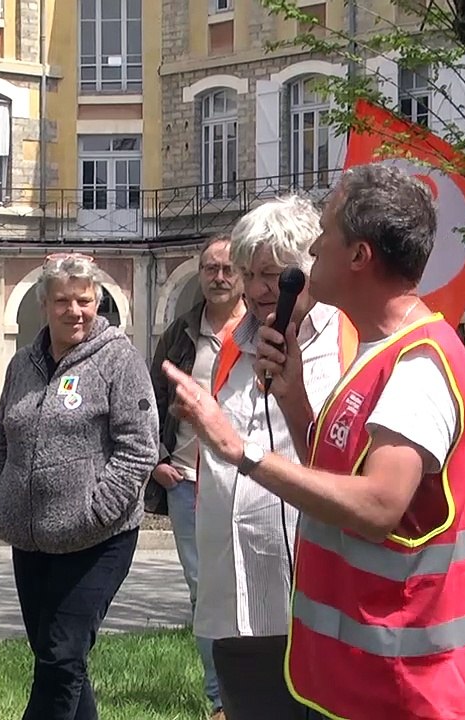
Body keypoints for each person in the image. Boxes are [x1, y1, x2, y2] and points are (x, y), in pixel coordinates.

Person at [162, 164, 465, 719]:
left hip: (411, 684)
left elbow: (378, 506)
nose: (314, 245)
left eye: (326, 233)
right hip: (363, 674)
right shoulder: (379, 352)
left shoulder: (417, 365)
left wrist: (237, 448)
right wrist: (294, 402)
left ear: (359, 256)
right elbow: (338, 470)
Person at [186, 199, 356, 720]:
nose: (260, 290)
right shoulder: (235, 346)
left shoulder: (346, 340)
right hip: (234, 592)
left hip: (312, 590)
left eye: (275, 275)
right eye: (250, 274)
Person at [0, 252, 157, 720]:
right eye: (63, 300)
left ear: (98, 301)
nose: (74, 311)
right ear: (45, 305)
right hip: (32, 540)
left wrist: (94, 512)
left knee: (61, 659)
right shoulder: (23, 363)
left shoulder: (119, 359)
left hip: (98, 540)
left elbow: (139, 449)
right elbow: (0, 437)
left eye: (84, 300)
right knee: (56, 658)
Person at [148, 233, 244, 719]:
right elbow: (146, 400)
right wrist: (157, 462)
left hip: (251, 482)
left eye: (229, 268)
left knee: (254, 585)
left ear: (242, 274)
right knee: (203, 591)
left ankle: (258, 690)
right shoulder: (180, 333)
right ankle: (219, 700)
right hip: (188, 481)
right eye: (211, 269)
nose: (220, 277)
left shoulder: (261, 330)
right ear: (201, 274)